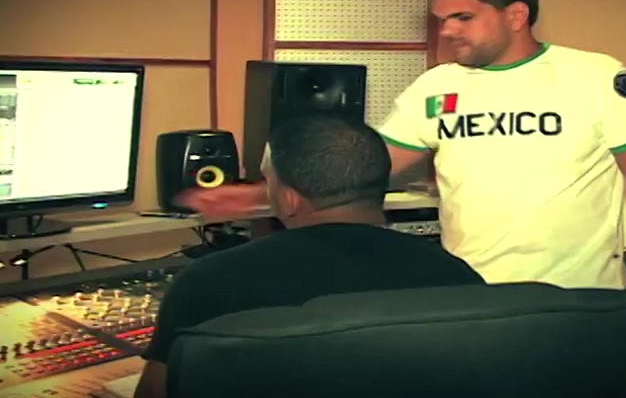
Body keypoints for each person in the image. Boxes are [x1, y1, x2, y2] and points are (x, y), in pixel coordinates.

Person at [178, 0, 626, 342]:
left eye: (462, 17)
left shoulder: (596, 77)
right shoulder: (436, 86)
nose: (447, 31)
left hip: (578, 303)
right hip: (469, 301)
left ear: (516, 14)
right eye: (441, 19)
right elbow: (361, 174)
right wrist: (256, 196)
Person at [133, 114, 484, 398]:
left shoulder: (208, 281)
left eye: (268, 181)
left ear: (288, 199)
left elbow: (156, 391)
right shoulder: (455, 275)